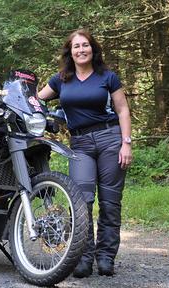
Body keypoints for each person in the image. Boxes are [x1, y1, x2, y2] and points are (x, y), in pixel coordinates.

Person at [38, 29, 132, 277]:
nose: (81, 50)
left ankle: (105, 257)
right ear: (70, 51)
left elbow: (122, 110)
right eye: (76, 46)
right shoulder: (60, 80)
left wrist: (126, 143)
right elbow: (37, 100)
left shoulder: (107, 77)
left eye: (85, 45)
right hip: (80, 144)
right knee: (81, 202)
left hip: (110, 140)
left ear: (93, 49)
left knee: (110, 203)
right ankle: (84, 258)